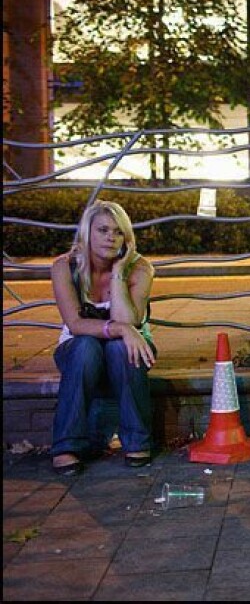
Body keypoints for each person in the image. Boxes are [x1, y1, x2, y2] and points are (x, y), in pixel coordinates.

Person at [50, 200, 157, 475]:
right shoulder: (64, 267)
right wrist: (120, 329)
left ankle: (136, 441)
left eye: (118, 232)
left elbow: (129, 321)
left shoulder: (140, 268)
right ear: (87, 233)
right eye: (103, 230)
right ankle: (66, 446)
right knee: (87, 347)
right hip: (80, 350)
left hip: (129, 348)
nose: (111, 237)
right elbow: (74, 324)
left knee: (120, 350)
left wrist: (119, 273)